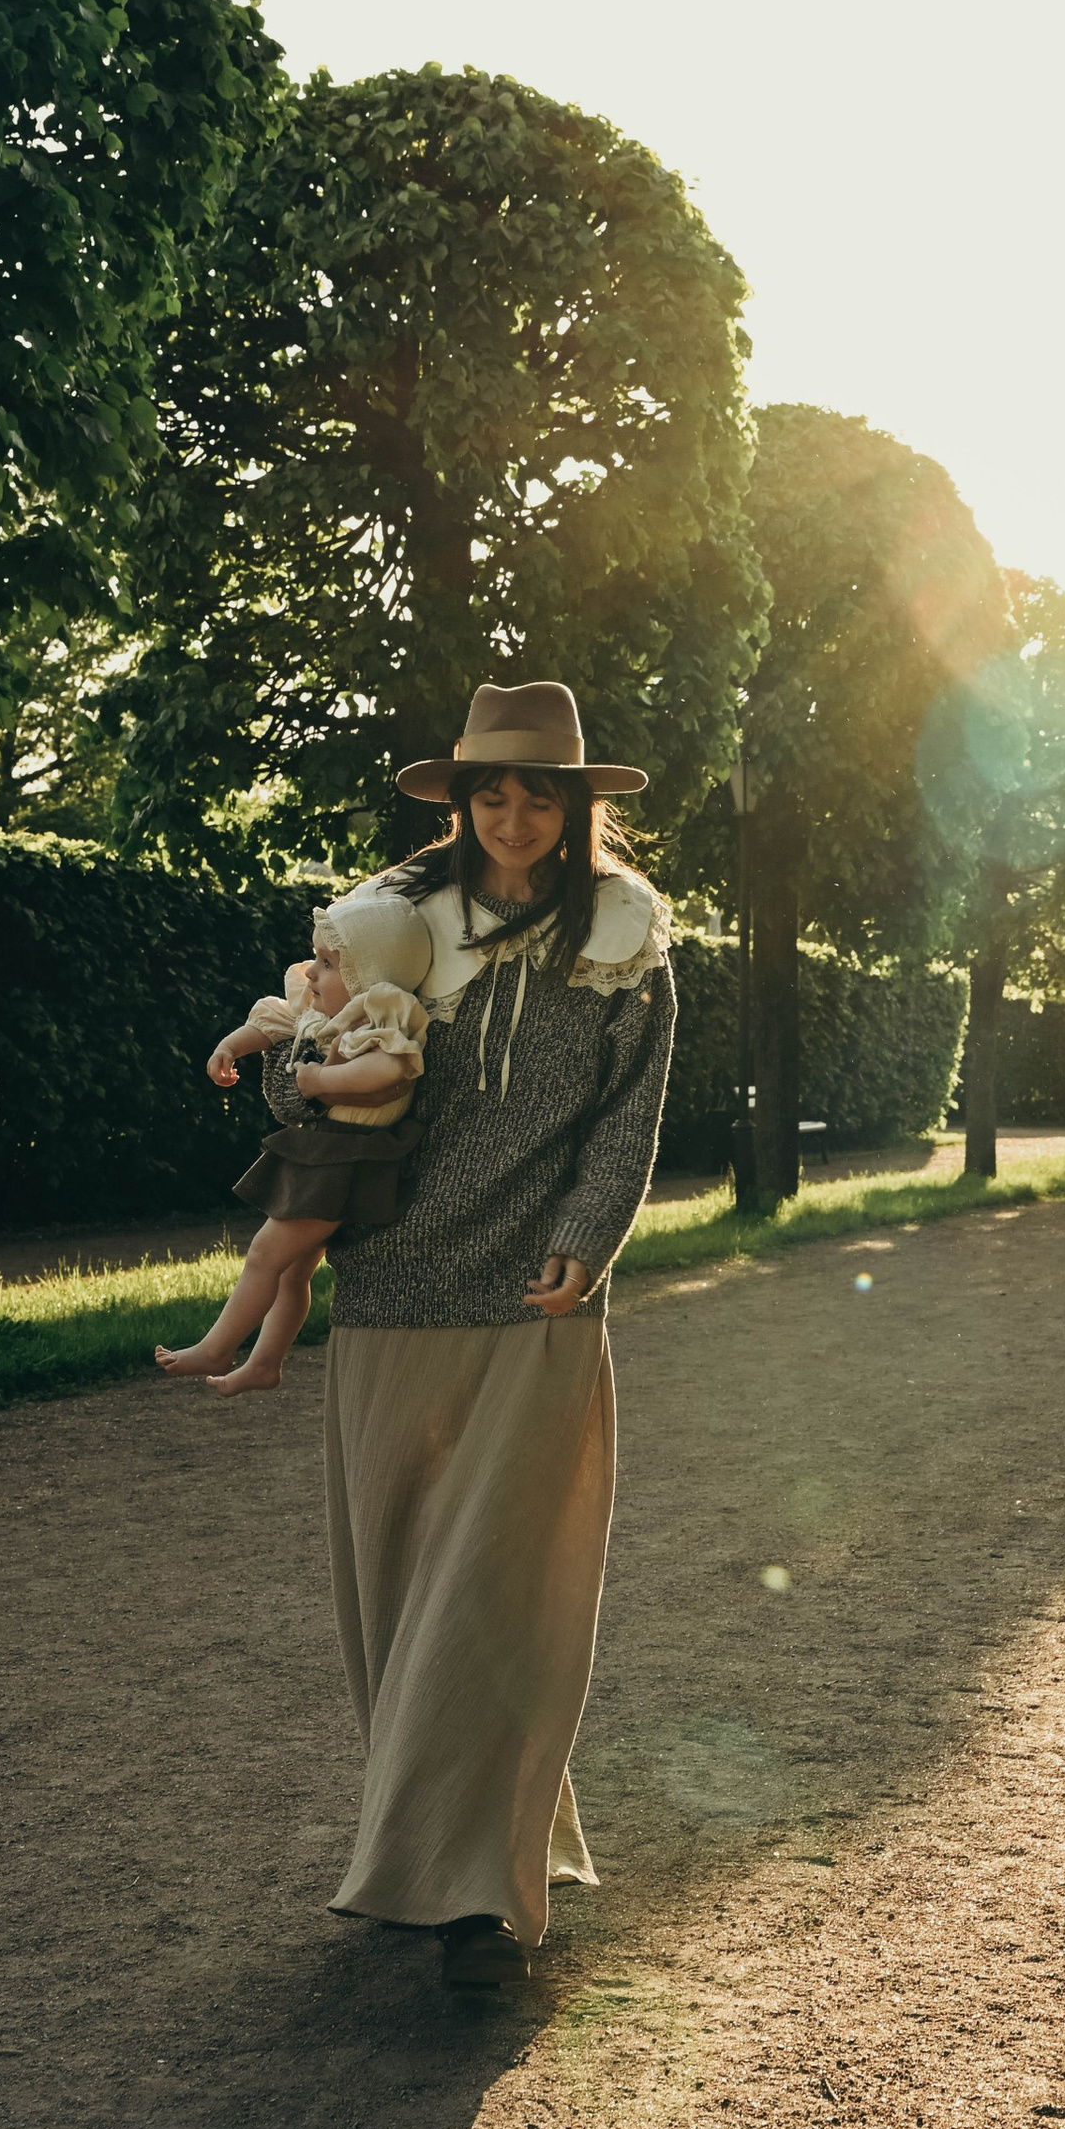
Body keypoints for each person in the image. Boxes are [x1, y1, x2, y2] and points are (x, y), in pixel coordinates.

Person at [268, 680, 677, 2001]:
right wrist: (305, 1067)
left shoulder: (629, 940)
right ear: (457, 800)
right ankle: (470, 1837)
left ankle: (459, 1896)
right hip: (390, 1283)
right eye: (489, 790)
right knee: (397, 1582)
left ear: (577, 806)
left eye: (538, 791)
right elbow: (298, 1049)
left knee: (500, 1587)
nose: (512, 813)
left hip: (539, 1296)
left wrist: (590, 1234)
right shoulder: (392, 919)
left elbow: (628, 1118)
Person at [157, 890, 433, 1396]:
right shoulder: (319, 1012)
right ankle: (265, 1363)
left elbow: (392, 1066)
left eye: (327, 964)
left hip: (343, 1157)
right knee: (290, 1273)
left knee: (266, 1253)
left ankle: (219, 1346)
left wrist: (321, 1083)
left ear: (368, 977)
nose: (310, 974)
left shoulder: (381, 1013)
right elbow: (274, 1021)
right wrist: (230, 1046)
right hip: (324, 1153)